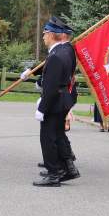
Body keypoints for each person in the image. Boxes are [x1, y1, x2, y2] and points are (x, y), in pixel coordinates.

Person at [32, 20, 79, 187]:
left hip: (55, 101)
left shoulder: (57, 55)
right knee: (58, 136)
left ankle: (53, 174)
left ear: (52, 35)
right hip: (62, 100)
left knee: (48, 138)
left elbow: (51, 86)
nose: (43, 36)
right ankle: (67, 169)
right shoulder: (63, 51)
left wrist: (42, 108)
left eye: (45, 33)